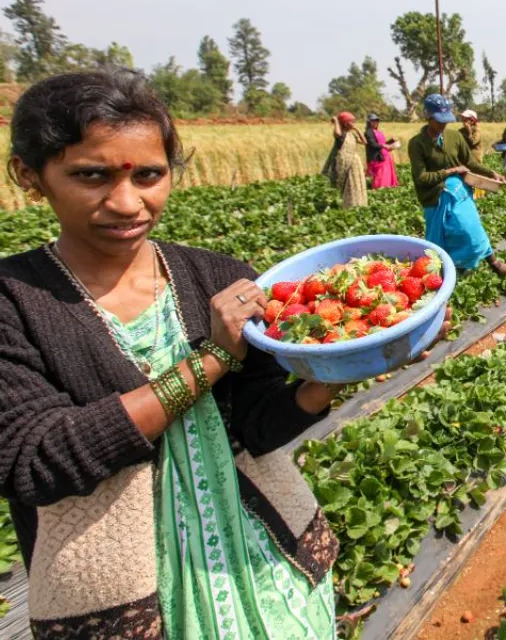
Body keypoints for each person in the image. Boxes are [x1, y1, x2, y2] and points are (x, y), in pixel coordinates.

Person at [0, 70, 344, 638]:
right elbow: (34, 461)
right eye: (91, 175)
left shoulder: (215, 276)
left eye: (149, 175)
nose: (127, 202)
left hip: (262, 565)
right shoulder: (16, 300)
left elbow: (257, 428)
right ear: (30, 177)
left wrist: (329, 375)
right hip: (124, 596)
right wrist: (209, 360)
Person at [409, 93, 506, 276]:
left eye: (446, 120)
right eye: (439, 120)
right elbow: (421, 178)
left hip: (460, 193)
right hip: (435, 197)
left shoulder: (454, 137)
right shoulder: (417, 144)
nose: (443, 124)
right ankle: (442, 275)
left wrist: (491, 173)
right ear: (428, 116)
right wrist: (450, 171)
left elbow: (470, 163)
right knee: (442, 238)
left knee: (472, 228)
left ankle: (493, 262)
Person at [324, 110, 367, 207]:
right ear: (345, 123)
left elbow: (364, 141)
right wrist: (336, 122)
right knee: (348, 183)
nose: (353, 123)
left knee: (356, 182)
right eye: (351, 122)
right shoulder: (340, 135)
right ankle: (348, 203)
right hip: (343, 164)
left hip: (353, 163)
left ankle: (358, 203)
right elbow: (337, 133)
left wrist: (356, 129)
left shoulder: (352, 134)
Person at [365, 113, 399, 190]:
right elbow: (373, 144)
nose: (375, 122)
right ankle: (379, 189)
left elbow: (382, 144)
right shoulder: (368, 132)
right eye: (373, 121)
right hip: (377, 157)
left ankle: (386, 189)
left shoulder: (377, 131)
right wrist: (385, 146)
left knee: (386, 174)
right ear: (369, 122)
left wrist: (391, 142)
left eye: (377, 121)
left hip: (384, 156)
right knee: (380, 175)